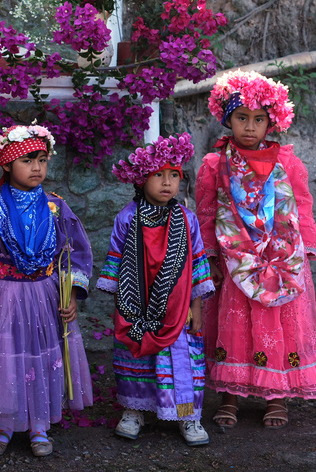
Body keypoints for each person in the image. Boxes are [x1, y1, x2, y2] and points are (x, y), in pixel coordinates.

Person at [197, 71, 316, 430]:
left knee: (280, 326)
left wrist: (306, 250)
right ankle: (230, 396)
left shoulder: (289, 162)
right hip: (234, 258)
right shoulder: (214, 165)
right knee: (233, 326)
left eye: (258, 120)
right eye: (241, 119)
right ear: (227, 119)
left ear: (272, 122)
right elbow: (206, 212)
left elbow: (302, 206)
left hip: (282, 259)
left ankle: (277, 397)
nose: (249, 127)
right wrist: (209, 256)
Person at [0, 124, 94, 458]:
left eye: (42, 159)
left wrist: (71, 295)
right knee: (6, 360)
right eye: (27, 160)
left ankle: (39, 422)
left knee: (42, 355)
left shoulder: (56, 207)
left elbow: (74, 251)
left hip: (45, 295)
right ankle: (4, 422)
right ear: (7, 164)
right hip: (5, 295)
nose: (37, 167)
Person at [98, 133, 215, 446]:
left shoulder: (187, 220)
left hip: (179, 311)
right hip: (136, 309)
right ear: (140, 180)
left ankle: (188, 416)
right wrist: (125, 308)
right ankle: (134, 411)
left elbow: (198, 266)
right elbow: (116, 265)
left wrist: (196, 308)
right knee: (137, 361)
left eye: (174, 175)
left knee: (181, 364)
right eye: (158, 175)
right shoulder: (127, 218)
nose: (167, 182)